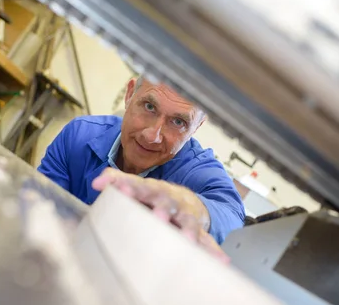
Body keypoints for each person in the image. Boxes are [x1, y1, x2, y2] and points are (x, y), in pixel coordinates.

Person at [38, 77, 244, 259]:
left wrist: (197, 211)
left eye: (178, 121)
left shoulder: (196, 169)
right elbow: (38, 209)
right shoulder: (79, 135)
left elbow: (234, 223)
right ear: (129, 95)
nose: (152, 136)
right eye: (149, 107)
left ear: (196, 127)